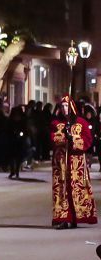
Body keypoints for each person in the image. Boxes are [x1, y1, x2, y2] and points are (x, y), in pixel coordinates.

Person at [51, 95, 97, 229]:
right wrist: (63, 137)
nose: (64, 109)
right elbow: (52, 138)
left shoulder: (81, 122)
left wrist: (73, 138)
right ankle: (65, 217)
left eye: (66, 106)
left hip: (76, 162)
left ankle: (77, 216)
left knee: (77, 189)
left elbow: (87, 141)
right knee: (62, 189)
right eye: (62, 106)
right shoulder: (55, 123)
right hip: (61, 162)